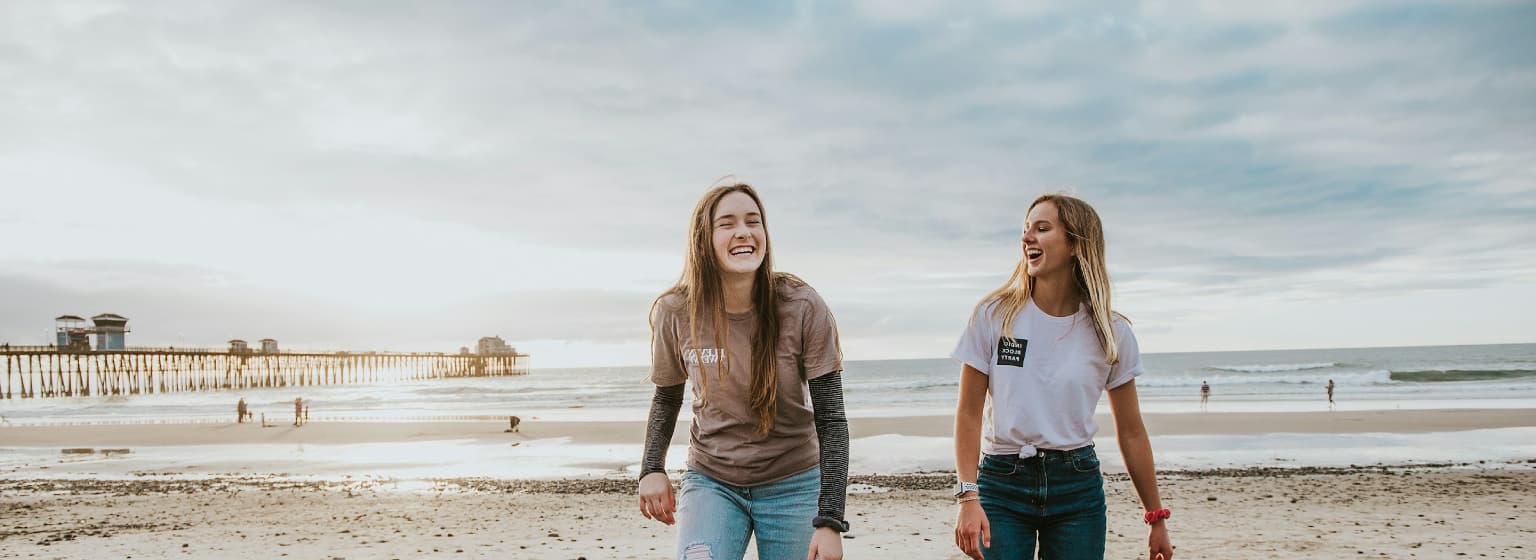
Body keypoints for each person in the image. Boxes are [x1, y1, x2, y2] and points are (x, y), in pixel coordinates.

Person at [952, 193, 1173, 560]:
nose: (1027, 238)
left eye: (1042, 229)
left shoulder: (1111, 332)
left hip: (1077, 488)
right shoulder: (993, 316)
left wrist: (1156, 518)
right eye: (1026, 230)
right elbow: (968, 414)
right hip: (1002, 484)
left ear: (1075, 244)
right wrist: (967, 497)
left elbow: (1132, 431)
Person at [637, 182, 849, 560]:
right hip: (712, 482)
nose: (744, 232)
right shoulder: (677, 311)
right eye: (727, 223)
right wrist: (652, 469)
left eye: (754, 221)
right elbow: (667, 398)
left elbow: (831, 418)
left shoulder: (801, 305)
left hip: (795, 483)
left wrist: (830, 520)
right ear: (704, 238)